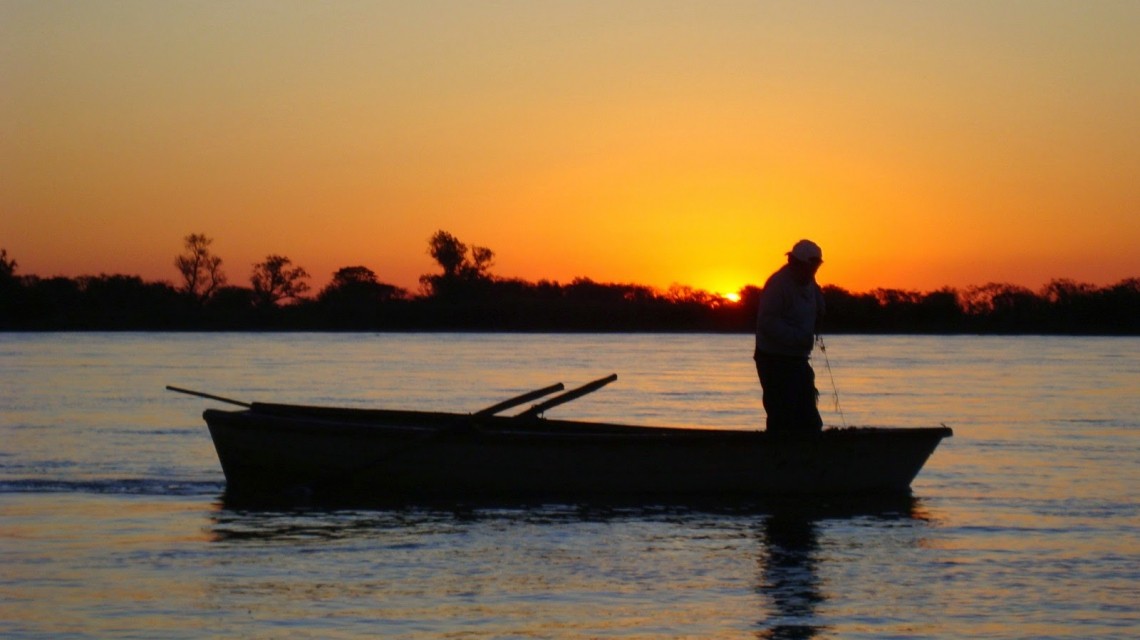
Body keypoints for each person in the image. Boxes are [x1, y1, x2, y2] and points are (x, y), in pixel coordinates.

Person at [754, 239, 826, 435]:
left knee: (808, 416)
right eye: (809, 267)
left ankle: (808, 453)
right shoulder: (778, 284)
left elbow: (816, 303)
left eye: (815, 267)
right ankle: (778, 456)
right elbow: (767, 323)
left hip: (798, 359)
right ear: (794, 263)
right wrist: (798, 337)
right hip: (773, 359)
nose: (812, 272)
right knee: (782, 415)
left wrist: (820, 310)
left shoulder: (810, 283)